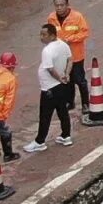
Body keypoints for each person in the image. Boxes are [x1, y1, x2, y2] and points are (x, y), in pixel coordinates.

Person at [31, 20, 74, 150]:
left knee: (45, 116)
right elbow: (70, 59)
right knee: (63, 112)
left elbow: (49, 69)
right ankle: (66, 136)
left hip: (49, 88)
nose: (41, 37)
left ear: (52, 35)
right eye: (41, 34)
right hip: (61, 87)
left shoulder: (47, 50)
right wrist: (66, 74)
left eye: (44, 34)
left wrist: (60, 78)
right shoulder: (63, 45)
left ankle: (39, 142)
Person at [50, 0, 89, 73]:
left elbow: (85, 33)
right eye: (57, 5)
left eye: (62, 5)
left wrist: (70, 39)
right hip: (60, 57)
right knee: (65, 82)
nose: (59, 8)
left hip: (76, 56)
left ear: (67, 5)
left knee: (79, 80)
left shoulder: (77, 17)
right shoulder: (51, 18)